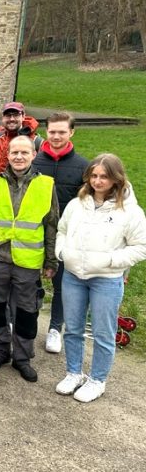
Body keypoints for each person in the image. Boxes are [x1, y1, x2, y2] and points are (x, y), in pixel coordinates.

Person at [54, 154, 146, 402]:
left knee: (104, 333)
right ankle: (74, 373)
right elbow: (61, 231)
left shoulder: (130, 212)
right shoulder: (77, 203)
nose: (98, 181)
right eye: (94, 175)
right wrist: (62, 252)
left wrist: (110, 261)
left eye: (104, 176)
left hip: (106, 279)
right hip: (73, 276)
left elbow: (140, 247)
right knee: (72, 329)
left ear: (116, 178)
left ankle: (97, 379)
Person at [0, 136, 59, 382]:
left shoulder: (46, 185)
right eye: (14, 152)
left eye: (24, 152)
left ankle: (22, 357)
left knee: (26, 312)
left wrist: (50, 261)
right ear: (7, 155)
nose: (19, 157)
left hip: (28, 262)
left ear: (33, 155)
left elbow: (52, 225)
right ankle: (0, 350)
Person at [32, 111, 88, 353]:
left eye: (61, 132)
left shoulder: (83, 166)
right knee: (30, 283)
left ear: (71, 132)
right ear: (46, 132)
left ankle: (55, 328)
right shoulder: (35, 162)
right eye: (52, 131)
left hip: (66, 236)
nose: (56, 136)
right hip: (35, 234)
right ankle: (28, 323)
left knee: (61, 285)